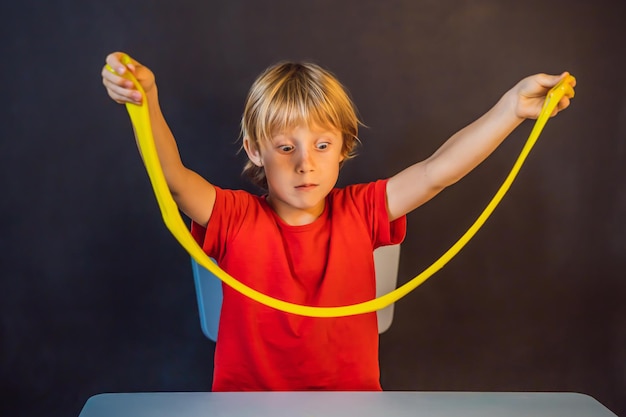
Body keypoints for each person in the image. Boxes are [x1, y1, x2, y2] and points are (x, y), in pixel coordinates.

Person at [101, 52, 575, 391]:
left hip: (353, 407)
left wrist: (512, 109)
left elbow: (437, 171)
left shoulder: (363, 210)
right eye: (286, 147)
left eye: (321, 146)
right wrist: (148, 101)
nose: (305, 163)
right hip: (244, 407)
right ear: (254, 151)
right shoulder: (234, 216)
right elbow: (175, 179)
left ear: (343, 149)